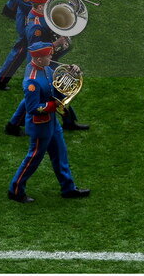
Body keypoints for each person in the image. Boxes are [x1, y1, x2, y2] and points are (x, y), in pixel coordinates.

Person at [7, 42, 90, 203]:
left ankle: (68, 188)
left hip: (52, 123)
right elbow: (32, 108)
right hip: (40, 127)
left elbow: (56, 87)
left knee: (60, 155)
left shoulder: (46, 68)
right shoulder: (32, 82)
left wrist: (71, 74)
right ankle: (15, 190)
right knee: (33, 160)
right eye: (48, 55)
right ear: (38, 59)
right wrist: (54, 105)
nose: (51, 57)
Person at [3, 0, 88, 134]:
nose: (50, 7)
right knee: (41, 96)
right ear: (40, 7)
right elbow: (34, 48)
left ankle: (69, 121)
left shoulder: (41, 15)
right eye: (47, 5)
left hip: (46, 60)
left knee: (57, 91)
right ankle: (13, 125)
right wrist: (56, 44)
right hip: (39, 64)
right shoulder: (35, 26)